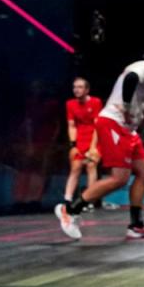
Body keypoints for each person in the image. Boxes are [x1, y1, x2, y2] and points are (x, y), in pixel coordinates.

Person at [54, 55, 144, 240]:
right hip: (113, 124)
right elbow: (130, 79)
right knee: (119, 179)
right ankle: (69, 210)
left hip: (128, 131)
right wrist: (126, 107)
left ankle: (136, 225)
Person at [58, 78, 102, 210]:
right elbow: (72, 126)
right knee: (75, 168)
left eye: (80, 87)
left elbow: (97, 126)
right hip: (80, 140)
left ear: (87, 89)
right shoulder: (70, 104)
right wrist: (73, 145)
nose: (76, 90)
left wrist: (93, 147)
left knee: (90, 166)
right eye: (74, 87)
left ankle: (89, 200)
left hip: (95, 138)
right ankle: (67, 200)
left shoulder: (96, 102)